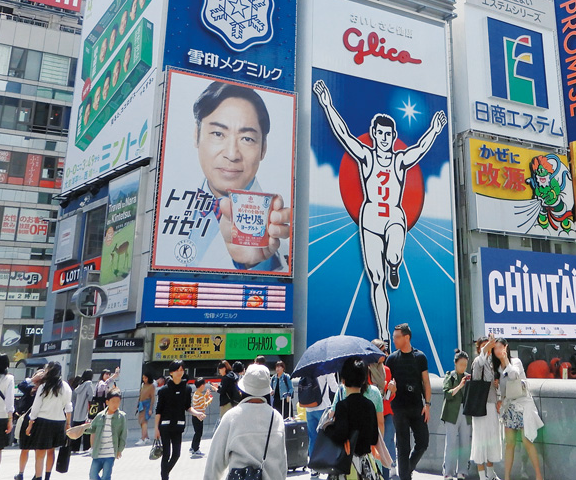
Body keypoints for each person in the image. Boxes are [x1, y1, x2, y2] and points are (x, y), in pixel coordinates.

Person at [312, 80, 447, 340]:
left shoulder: (399, 160)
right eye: (380, 134)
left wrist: (435, 129)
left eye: (389, 135)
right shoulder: (366, 156)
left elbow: (419, 149)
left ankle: (395, 263)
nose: (384, 139)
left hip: (394, 216)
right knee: (376, 278)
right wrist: (327, 105)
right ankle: (384, 333)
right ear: (374, 134)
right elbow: (344, 135)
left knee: (394, 254)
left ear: (393, 137)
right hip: (371, 217)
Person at [159, 82, 293, 272]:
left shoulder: (279, 228)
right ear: (196, 135)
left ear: (263, 148)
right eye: (218, 133)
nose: (232, 154)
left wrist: (253, 264)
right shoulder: (165, 205)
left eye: (246, 139)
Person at [203, 365, 286, 480]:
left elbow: (215, 462)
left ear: (242, 390)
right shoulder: (276, 417)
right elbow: (282, 462)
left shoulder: (232, 416)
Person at [385, 324, 430, 480]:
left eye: (397, 337)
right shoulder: (391, 359)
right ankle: (405, 476)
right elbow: (387, 387)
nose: (394, 340)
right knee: (403, 447)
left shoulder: (420, 357)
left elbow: (426, 382)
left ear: (407, 337)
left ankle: (407, 469)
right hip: (398, 408)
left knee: (423, 442)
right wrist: (391, 389)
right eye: (393, 337)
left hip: (417, 406)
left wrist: (428, 404)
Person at [324, 359, 382, 480]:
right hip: (366, 465)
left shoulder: (342, 406)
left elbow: (340, 435)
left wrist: (328, 428)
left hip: (347, 466)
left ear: (343, 381)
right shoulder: (370, 405)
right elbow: (374, 438)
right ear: (364, 380)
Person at [493, 339, 543, 480]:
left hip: (523, 405)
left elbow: (515, 375)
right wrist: (499, 399)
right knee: (510, 444)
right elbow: (501, 390)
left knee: (527, 441)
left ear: (506, 347)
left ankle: (539, 476)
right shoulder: (496, 368)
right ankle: (507, 477)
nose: (498, 351)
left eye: (500, 347)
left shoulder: (516, 362)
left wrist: (505, 361)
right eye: (495, 348)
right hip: (509, 407)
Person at [26, 362, 72, 480]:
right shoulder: (65, 387)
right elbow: (68, 407)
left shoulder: (44, 387)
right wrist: (68, 423)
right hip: (59, 422)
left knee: (40, 453)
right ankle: (47, 476)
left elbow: (36, 407)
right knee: (51, 451)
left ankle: (38, 476)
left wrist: (30, 423)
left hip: (43, 422)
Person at [470, 336, 502, 480]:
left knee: (492, 439)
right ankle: (483, 476)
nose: (488, 348)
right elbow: (477, 372)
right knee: (480, 441)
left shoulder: (493, 363)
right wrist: (487, 347)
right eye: (484, 346)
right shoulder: (478, 361)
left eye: (489, 346)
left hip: (492, 404)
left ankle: (490, 474)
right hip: (480, 406)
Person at [154, 361, 191, 480]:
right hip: (165, 426)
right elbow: (158, 410)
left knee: (176, 454)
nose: (180, 372)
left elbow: (187, 406)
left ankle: (164, 473)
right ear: (171, 373)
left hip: (178, 426)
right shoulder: (164, 390)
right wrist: (156, 429)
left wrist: (197, 413)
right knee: (166, 453)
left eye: (182, 370)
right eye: (177, 370)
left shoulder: (187, 389)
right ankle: (165, 477)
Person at [441, 351, 472, 480]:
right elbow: (447, 393)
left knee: (465, 442)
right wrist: (460, 386)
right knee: (451, 443)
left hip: (465, 411)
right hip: (452, 412)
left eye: (465, 365)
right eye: (461, 364)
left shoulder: (469, 377)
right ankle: (448, 471)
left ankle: (462, 471)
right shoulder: (450, 376)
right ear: (455, 363)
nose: (463, 367)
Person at [85, 389, 126, 480]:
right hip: (98, 452)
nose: (115, 404)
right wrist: (82, 428)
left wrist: (120, 450)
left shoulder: (121, 417)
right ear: (107, 402)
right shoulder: (100, 416)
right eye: (113, 402)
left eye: (118, 402)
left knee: (106, 477)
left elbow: (123, 435)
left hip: (110, 454)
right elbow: (92, 429)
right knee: (92, 475)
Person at [370, 342, 395, 471]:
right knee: (376, 443)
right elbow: (368, 392)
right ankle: (378, 469)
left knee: (389, 440)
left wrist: (393, 390)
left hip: (387, 410)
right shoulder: (366, 370)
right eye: (382, 351)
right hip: (373, 413)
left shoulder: (387, 370)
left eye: (386, 351)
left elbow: (389, 396)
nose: (385, 354)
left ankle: (391, 469)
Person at [13, 369, 42, 480]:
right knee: (33, 450)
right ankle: (32, 473)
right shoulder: (35, 389)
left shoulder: (37, 389)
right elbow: (21, 385)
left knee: (29, 449)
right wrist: (35, 379)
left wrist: (34, 379)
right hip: (35, 420)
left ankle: (25, 473)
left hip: (32, 420)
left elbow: (21, 385)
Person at [188, 378, 214, 457]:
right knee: (199, 433)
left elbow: (201, 401)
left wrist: (206, 395)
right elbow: (203, 405)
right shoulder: (200, 395)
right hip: (199, 416)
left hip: (195, 416)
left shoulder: (196, 394)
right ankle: (196, 449)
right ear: (202, 385)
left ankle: (193, 447)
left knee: (196, 432)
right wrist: (210, 400)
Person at [70, 372, 93, 454]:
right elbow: (90, 396)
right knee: (86, 430)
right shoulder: (89, 384)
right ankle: (86, 448)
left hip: (77, 411)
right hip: (85, 411)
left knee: (77, 430)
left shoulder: (79, 386)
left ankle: (74, 448)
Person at [136, 372, 156, 444]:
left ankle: (143, 438)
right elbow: (140, 395)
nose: (144, 379)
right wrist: (138, 405)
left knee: (144, 421)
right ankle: (146, 437)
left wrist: (150, 408)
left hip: (147, 405)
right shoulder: (143, 385)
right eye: (143, 378)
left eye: (145, 378)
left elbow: (153, 398)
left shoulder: (152, 386)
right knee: (141, 422)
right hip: (141, 405)